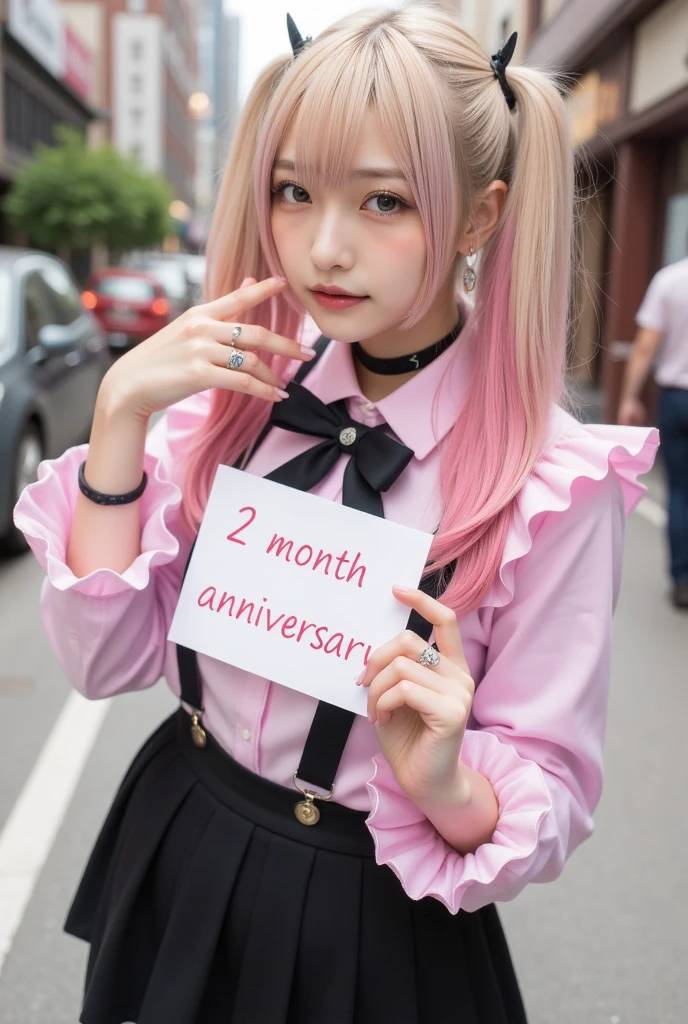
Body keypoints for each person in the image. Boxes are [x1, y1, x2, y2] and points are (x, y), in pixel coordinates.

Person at [13, 5, 658, 1023]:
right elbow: (102, 663)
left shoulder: (552, 481)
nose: (324, 246)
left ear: (481, 218)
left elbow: (551, 787)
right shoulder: (231, 398)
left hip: (366, 914)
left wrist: (444, 778)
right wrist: (122, 418)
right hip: (181, 830)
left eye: (385, 202)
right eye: (294, 191)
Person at [618, 249, 688, 609]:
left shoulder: (670, 280)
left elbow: (645, 345)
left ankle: (682, 579)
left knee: (680, 490)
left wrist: (630, 396)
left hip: (677, 398)